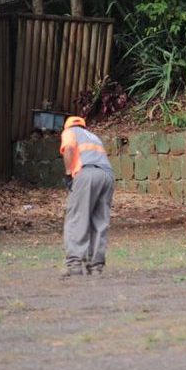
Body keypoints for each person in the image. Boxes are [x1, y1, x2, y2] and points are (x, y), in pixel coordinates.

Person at [59, 116, 114, 277]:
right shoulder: (93, 136)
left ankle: (74, 264)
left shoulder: (70, 132)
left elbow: (69, 149)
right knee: (100, 220)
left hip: (86, 173)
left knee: (77, 217)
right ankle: (96, 266)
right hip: (107, 176)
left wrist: (69, 174)